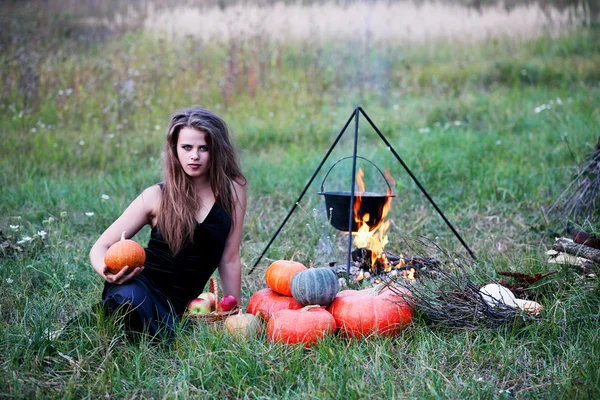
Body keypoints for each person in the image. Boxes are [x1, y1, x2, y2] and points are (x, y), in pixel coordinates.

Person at [88, 106, 247, 338]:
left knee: (165, 332)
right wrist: (107, 272)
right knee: (129, 306)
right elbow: (100, 247)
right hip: (138, 287)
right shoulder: (156, 196)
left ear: (217, 151)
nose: (195, 156)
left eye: (204, 148)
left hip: (182, 302)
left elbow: (230, 258)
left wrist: (234, 315)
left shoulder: (233, 189)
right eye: (187, 147)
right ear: (175, 149)